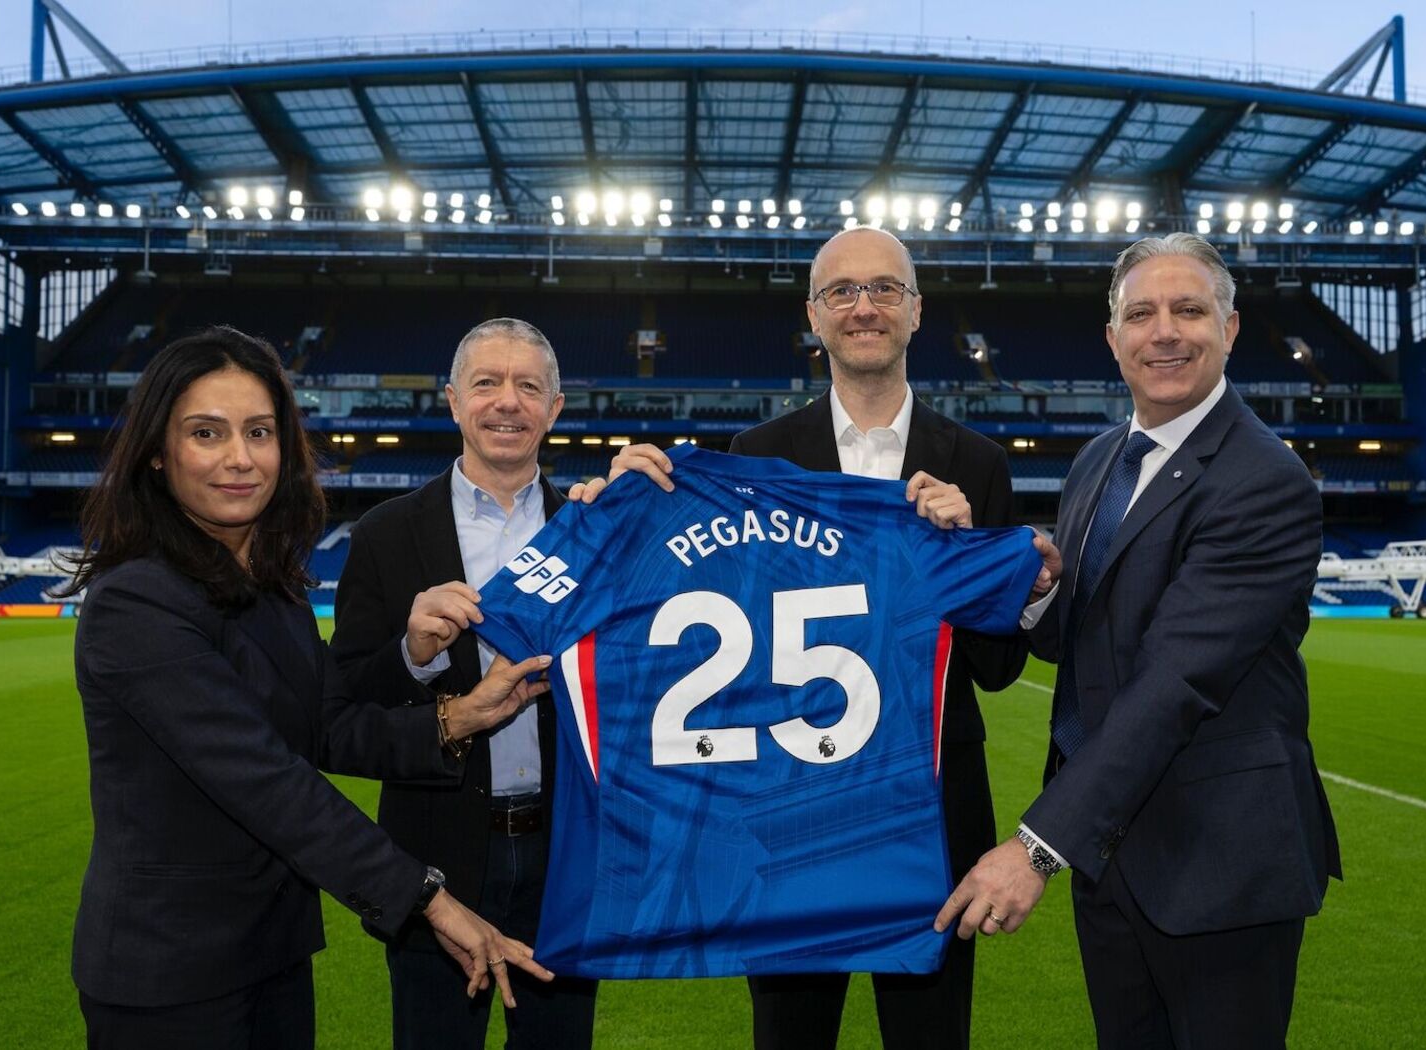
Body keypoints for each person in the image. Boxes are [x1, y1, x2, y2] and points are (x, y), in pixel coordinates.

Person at [573, 226, 1058, 1050]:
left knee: (931, 1035)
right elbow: (712, 637)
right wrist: (617, 519)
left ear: (914, 312)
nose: (863, 306)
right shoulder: (757, 456)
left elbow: (999, 669)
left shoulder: (976, 462)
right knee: (790, 1036)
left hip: (930, 812)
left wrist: (979, 561)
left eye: (883, 290)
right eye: (841, 291)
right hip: (787, 812)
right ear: (814, 316)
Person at [68, 326, 552, 1049]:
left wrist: (458, 717)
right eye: (207, 433)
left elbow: (331, 727)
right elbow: (267, 782)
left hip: (273, 952)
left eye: (259, 432)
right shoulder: (135, 604)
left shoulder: (273, 594)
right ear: (157, 455)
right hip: (168, 973)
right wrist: (433, 901)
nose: (240, 458)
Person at [936, 233, 1341, 1050]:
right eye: (1141, 313)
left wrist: (1036, 847)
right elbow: (1090, 638)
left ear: (1229, 330)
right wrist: (1012, 580)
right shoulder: (1099, 461)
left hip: (1221, 865)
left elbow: (1174, 683)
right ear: (1113, 337)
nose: (1165, 332)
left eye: (1189, 310)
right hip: (1114, 861)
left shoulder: (1263, 480)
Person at [330, 318, 600, 1050]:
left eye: (527, 386)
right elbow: (340, 714)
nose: (506, 402)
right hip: (435, 860)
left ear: (556, 408)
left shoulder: (596, 529)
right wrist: (413, 656)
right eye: (486, 383)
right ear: (452, 401)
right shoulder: (386, 535)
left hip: (566, 860)